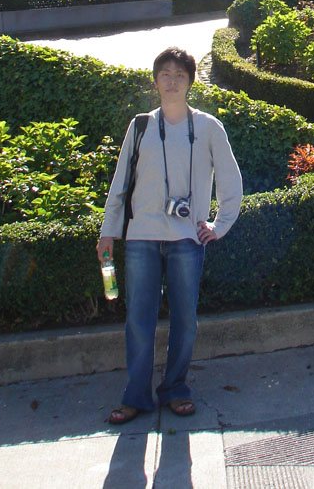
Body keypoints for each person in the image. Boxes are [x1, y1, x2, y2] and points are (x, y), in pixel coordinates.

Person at [96, 46, 243, 425]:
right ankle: (136, 397)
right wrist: (109, 231)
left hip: (186, 239)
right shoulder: (141, 125)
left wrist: (219, 224)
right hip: (142, 235)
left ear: (191, 82)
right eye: (165, 73)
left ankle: (176, 388)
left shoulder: (208, 127)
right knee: (138, 319)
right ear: (155, 80)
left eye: (180, 74)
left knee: (185, 320)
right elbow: (120, 184)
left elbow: (230, 180)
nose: (172, 80)